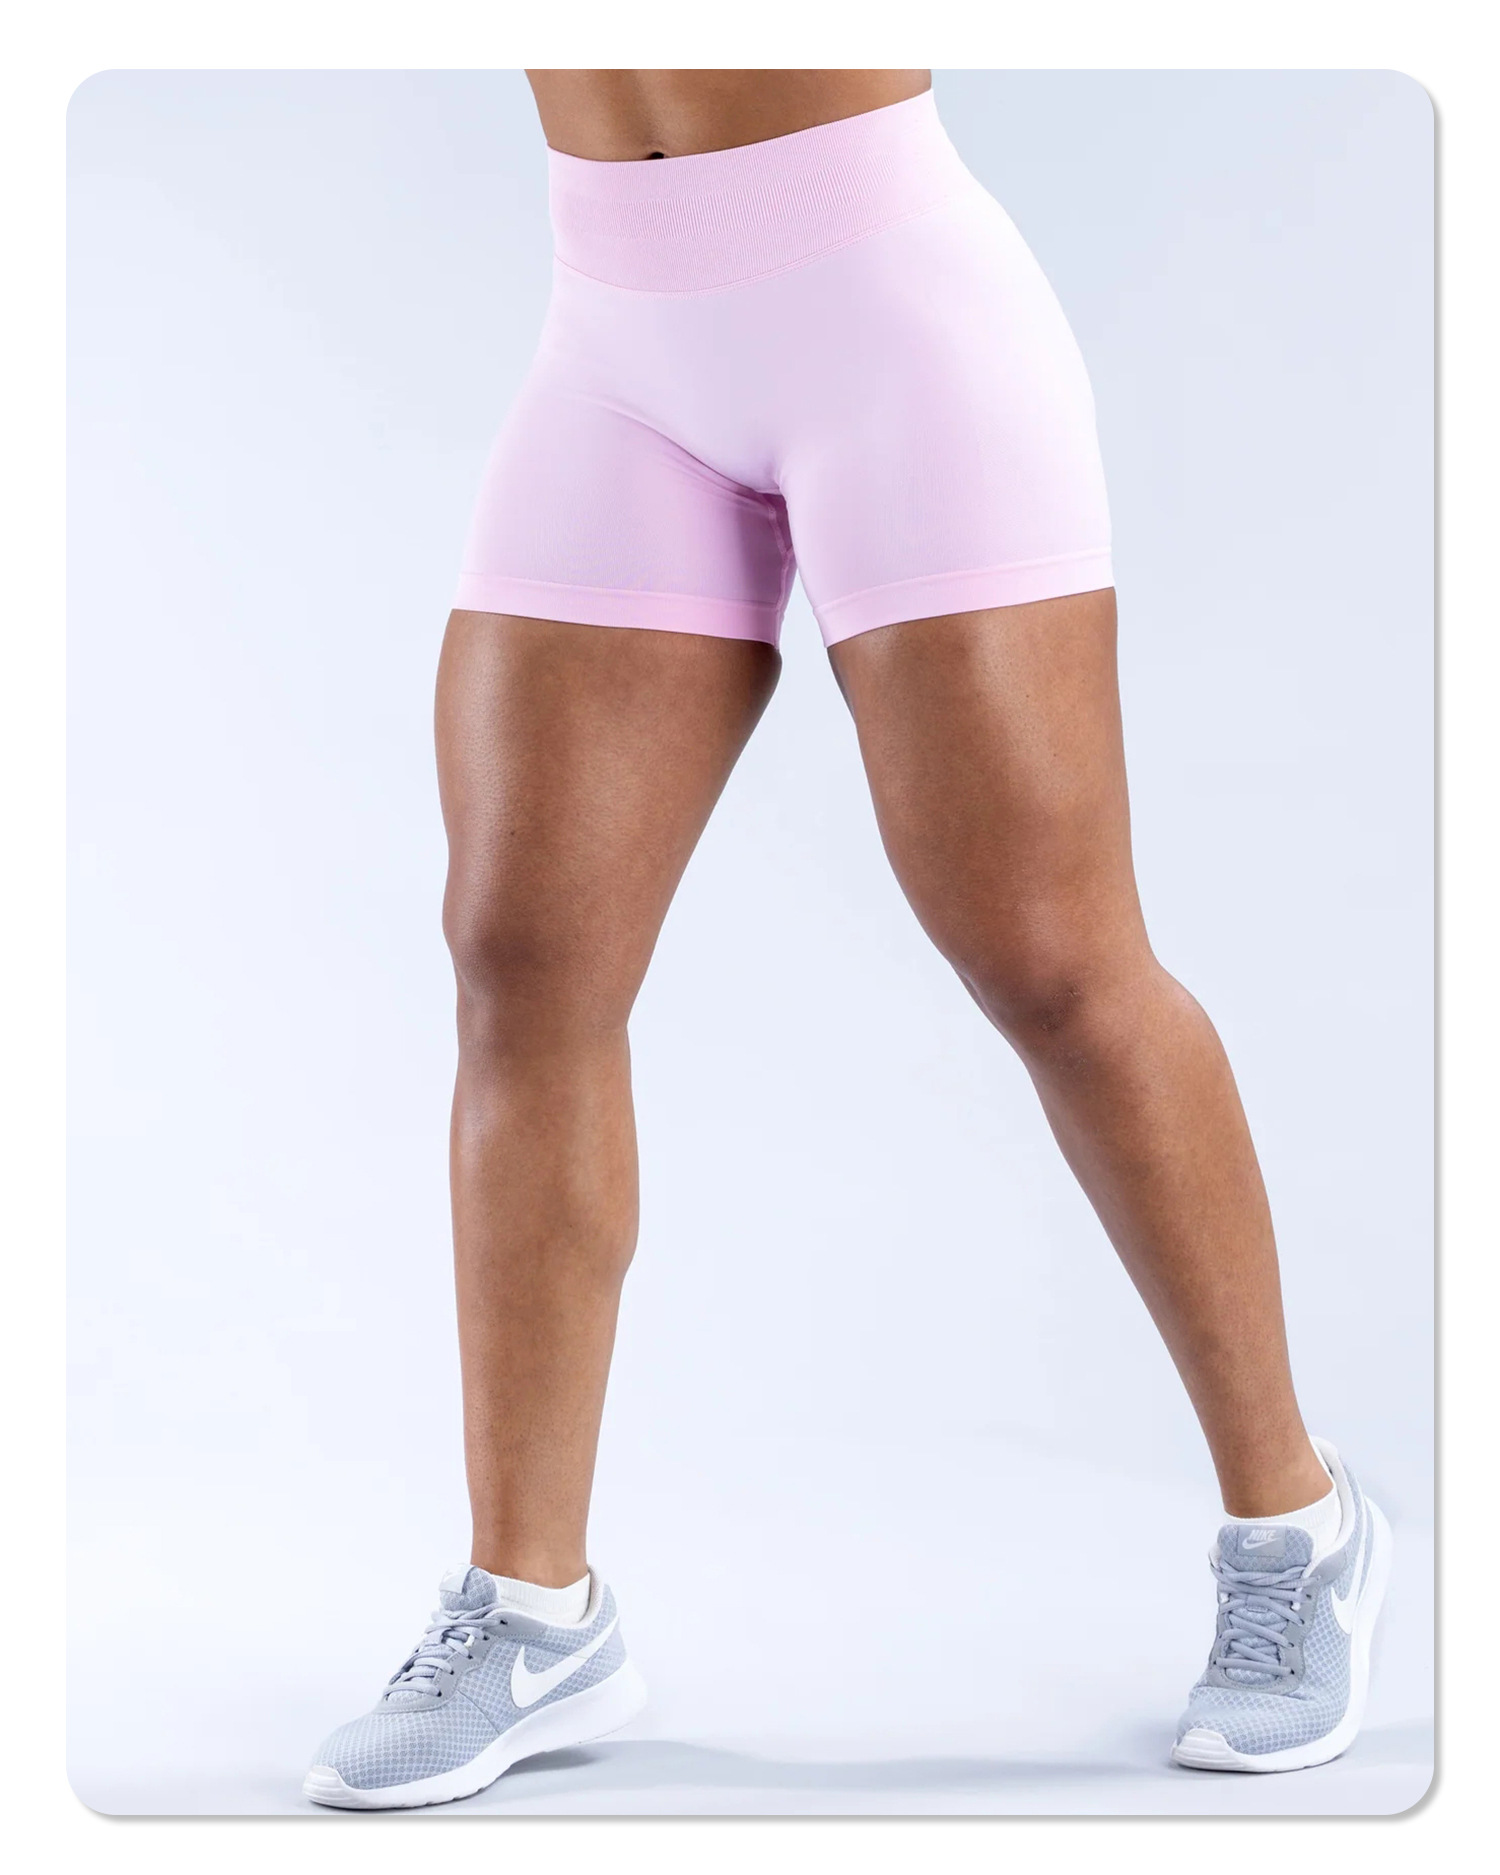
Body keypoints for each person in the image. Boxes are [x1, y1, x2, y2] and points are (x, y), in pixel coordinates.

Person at [303, 70, 1390, 1808]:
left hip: (889, 319)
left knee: (1052, 959)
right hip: (615, 338)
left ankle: (1298, 1526)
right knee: (522, 956)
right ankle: (532, 1607)